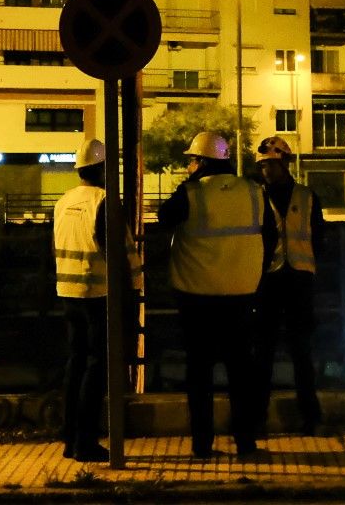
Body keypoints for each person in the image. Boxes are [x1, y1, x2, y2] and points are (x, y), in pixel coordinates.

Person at [157, 130, 275, 459]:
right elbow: (271, 236)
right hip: (241, 296)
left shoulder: (191, 194)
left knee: (200, 374)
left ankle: (202, 444)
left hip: (196, 297)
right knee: (242, 373)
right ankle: (246, 443)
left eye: (192, 160)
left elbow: (163, 219)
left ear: (202, 161)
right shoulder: (254, 192)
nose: (190, 165)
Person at [53, 138, 143, 463]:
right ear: (104, 168)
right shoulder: (105, 202)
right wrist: (133, 291)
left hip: (69, 294)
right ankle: (86, 442)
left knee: (75, 365)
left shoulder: (63, 201)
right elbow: (119, 253)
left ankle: (69, 438)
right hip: (99, 295)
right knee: (96, 368)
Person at [251, 136, 326, 435]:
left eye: (270, 164)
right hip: (268, 280)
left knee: (301, 352)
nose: (265, 170)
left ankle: (311, 418)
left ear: (284, 163)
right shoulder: (256, 196)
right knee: (263, 353)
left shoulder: (307, 197)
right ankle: (257, 420)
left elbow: (318, 236)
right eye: (262, 165)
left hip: (298, 280)